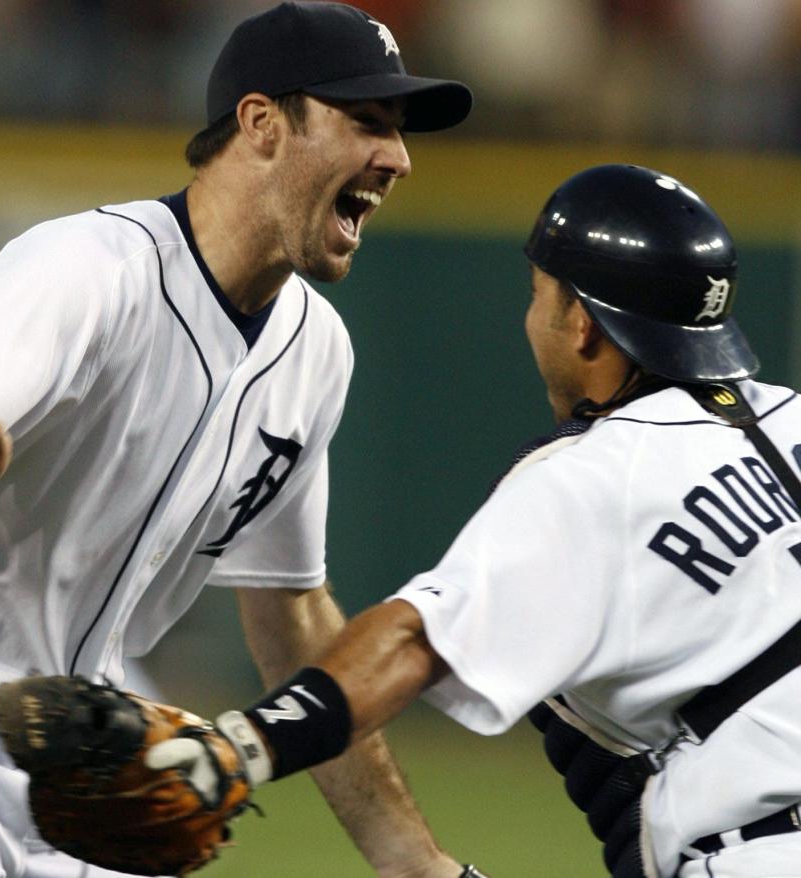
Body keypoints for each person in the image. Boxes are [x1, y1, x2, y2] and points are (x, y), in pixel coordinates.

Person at [0, 3, 476, 877]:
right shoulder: (89, 272)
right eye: (366, 121)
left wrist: (410, 858)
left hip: (77, 758)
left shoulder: (316, 351)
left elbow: (289, 612)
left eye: (400, 132)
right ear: (260, 124)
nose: (397, 157)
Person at [146, 164, 801, 878]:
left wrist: (234, 750)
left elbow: (405, 646)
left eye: (538, 296)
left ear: (583, 324)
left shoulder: (596, 473)